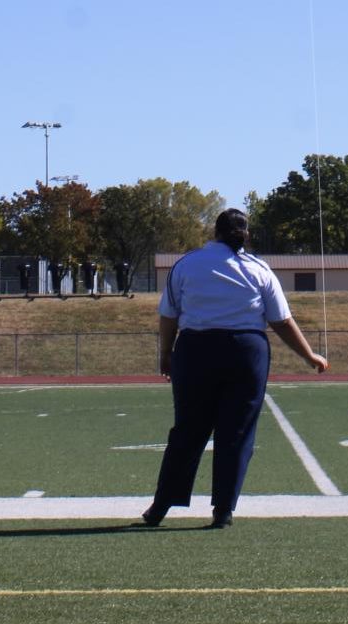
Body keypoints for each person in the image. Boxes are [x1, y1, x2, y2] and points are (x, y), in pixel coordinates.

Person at [140, 207, 327, 531]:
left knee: (187, 431)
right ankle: (223, 510)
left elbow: (169, 315)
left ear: (214, 231)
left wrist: (166, 353)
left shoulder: (186, 264)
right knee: (236, 434)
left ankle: (160, 507)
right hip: (245, 352)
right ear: (247, 235)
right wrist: (309, 355)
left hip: (195, 350)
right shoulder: (258, 269)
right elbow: (280, 320)